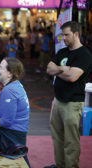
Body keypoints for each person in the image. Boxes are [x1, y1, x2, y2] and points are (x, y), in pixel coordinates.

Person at [46, 21, 92, 168]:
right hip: (58, 100)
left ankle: (71, 166)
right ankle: (60, 165)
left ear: (76, 34)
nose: (63, 38)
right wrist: (63, 69)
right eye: (62, 35)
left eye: (66, 35)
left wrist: (58, 71)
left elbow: (73, 77)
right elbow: (49, 69)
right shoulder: (62, 52)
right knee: (57, 138)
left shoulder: (84, 54)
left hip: (73, 103)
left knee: (71, 140)